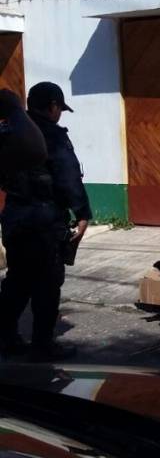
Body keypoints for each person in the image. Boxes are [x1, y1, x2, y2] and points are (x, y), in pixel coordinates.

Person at [0, 82, 91, 361]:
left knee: (17, 280)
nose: (59, 114)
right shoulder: (51, 135)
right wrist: (82, 213)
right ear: (53, 107)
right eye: (59, 108)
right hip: (44, 221)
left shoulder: (10, 132)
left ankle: (7, 339)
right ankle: (42, 345)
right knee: (47, 284)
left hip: (14, 217)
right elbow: (67, 176)